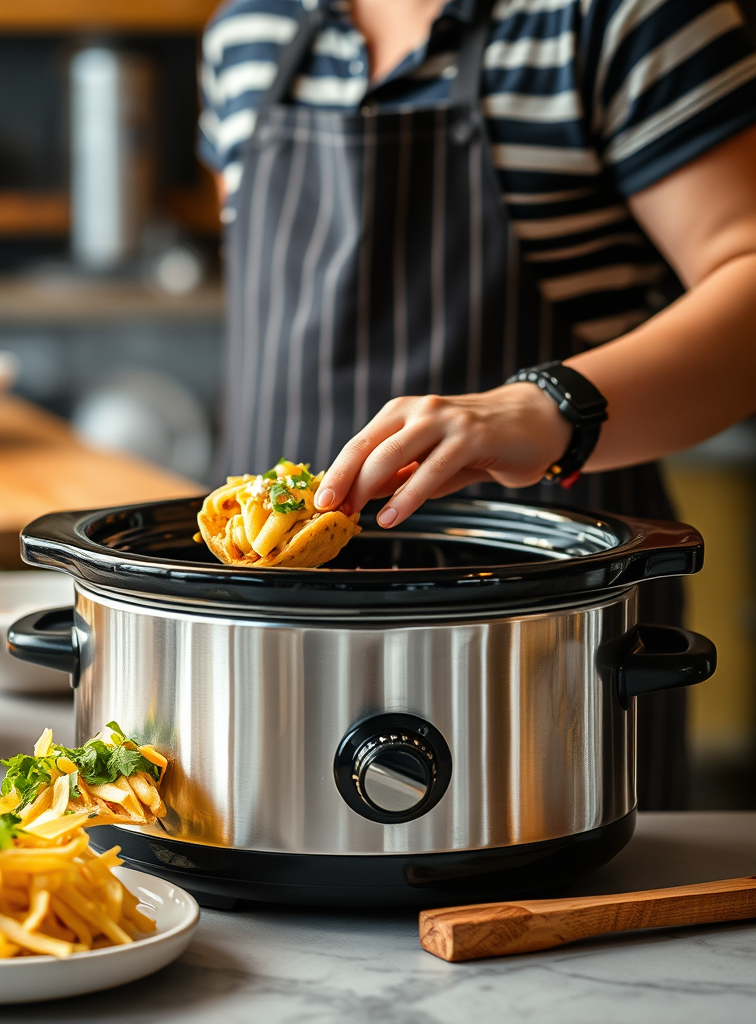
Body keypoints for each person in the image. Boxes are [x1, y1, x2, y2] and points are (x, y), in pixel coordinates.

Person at [198, 0, 756, 809]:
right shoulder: (248, 28)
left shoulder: (626, 17)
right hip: (263, 651)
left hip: (540, 654)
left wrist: (547, 406)